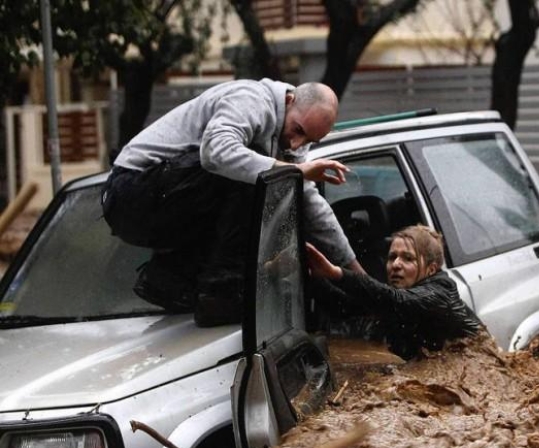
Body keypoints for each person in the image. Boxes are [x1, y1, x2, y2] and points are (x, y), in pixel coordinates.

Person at [101, 79, 361, 326]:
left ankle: (170, 279)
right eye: (298, 130)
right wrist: (294, 171)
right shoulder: (251, 99)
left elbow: (309, 203)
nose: (296, 143)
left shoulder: (291, 138)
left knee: (272, 180)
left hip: (168, 203)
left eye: (308, 141)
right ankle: (220, 292)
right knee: (256, 170)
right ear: (290, 100)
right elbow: (216, 152)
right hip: (129, 193)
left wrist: (356, 275)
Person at [305, 225, 484, 360]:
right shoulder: (400, 293)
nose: (396, 265)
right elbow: (344, 307)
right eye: (392, 257)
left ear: (431, 269)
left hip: (479, 363)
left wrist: (337, 273)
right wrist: (309, 275)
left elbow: (396, 300)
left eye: (408, 258)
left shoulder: (440, 292)